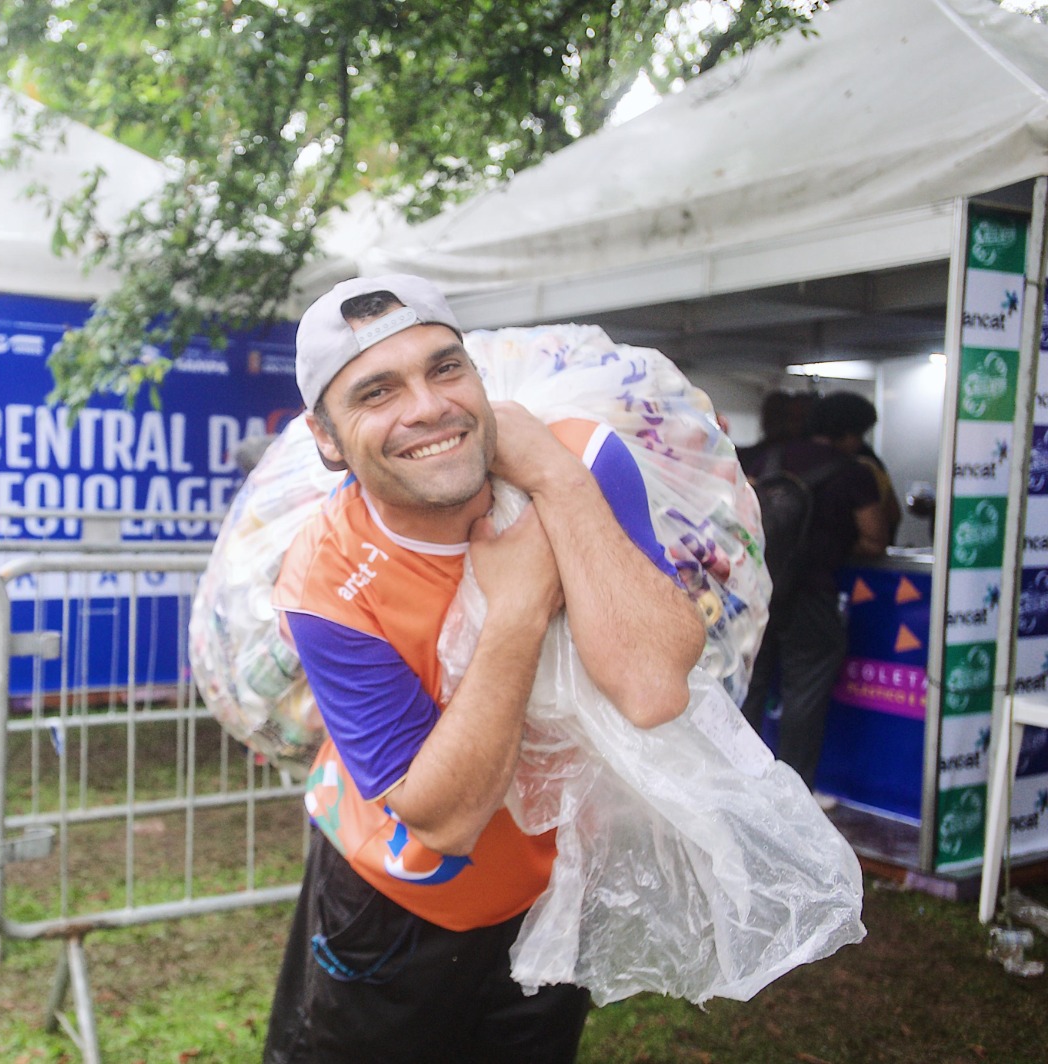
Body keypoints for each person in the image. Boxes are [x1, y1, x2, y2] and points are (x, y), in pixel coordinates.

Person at [262, 275, 706, 1063]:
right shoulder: (322, 578)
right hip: (390, 902)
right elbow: (442, 819)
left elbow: (651, 686)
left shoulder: (583, 457)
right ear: (326, 437)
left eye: (445, 368)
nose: (428, 406)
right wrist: (519, 607)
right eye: (376, 392)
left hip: (552, 893)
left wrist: (557, 479)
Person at [738, 390, 889, 797]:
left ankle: (738, 786)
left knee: (749, 688)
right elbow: (876, 538)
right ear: (851, 432)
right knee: (803, 696)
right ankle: (794, 797)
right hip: (813, 595)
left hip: (757, 593)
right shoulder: (853, 472)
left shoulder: (764, 459)